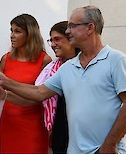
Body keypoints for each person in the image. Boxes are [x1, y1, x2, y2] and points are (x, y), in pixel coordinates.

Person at [0, 6, 126, 154]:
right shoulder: (68, 67)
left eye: (72, 26)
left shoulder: (116, 60)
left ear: (90, 28)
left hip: (107, 150)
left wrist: (110, 143)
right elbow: (39, 92)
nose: (68, 31)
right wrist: (6, 82)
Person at [0, 14, 52, 154]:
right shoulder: (6, 59)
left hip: (33, 125)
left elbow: (44, 95)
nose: (12, 35)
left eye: (17, 31)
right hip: (9, 122)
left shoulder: (44, 60)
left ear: (30, 34)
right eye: (11, 30)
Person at [35, 21, 78, 153]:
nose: (53, 45)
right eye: (51, 40)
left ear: (71, 39)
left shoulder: (85, 66)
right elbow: (37, 93)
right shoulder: (52, 69)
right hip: (61, 134)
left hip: (82, 135)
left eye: (57, 39)